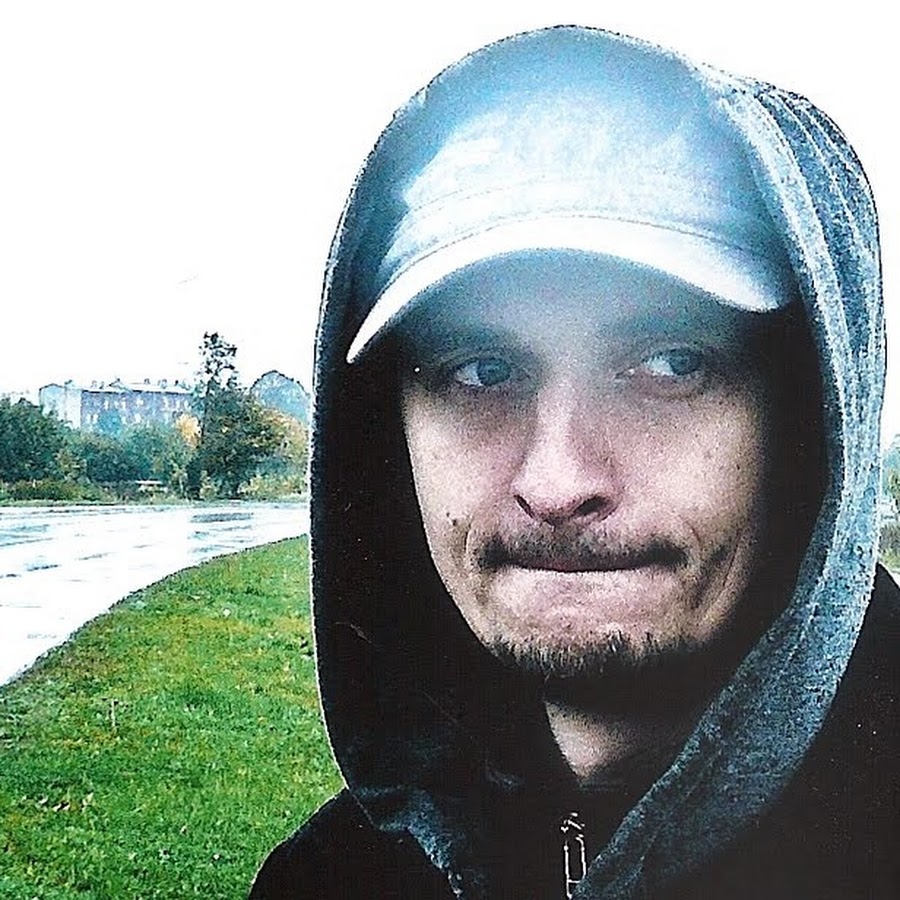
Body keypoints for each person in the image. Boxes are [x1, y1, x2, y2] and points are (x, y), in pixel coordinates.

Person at [250, 26, 898, 899]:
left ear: (813, 420)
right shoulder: (328, 882)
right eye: (482, 373)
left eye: (672, 363)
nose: (556, 484)